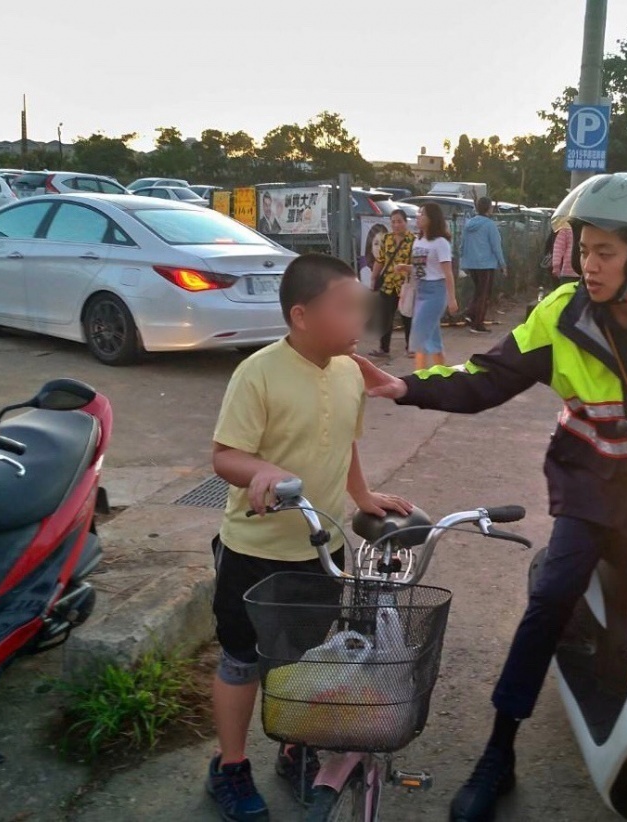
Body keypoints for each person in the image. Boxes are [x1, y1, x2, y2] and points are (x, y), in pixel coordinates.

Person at [354, 173, 627, 822]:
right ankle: (498, 751)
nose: (586, 265)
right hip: (589, 484)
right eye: (582, 249)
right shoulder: (561, 315)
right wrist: (406, 389)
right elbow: (489, 378)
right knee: (549, 600)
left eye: (604, 254)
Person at [206, 253, 413, 822]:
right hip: (256, 552)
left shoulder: (349, 371)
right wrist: (261, 471)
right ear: (301, 315)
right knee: (242, 661)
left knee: (306, 659)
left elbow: (344, 442)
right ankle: (229, 766)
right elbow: (225, 455)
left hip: (323, 549)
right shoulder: (258, 373)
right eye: (346, 308)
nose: (359, 319)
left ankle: (294, 748)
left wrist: (364, 498)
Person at [406, 202, 459, 370]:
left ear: (432, 218)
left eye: (422, 214)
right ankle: (443, 376)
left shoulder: (440, 242)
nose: (418, 217)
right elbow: (420, 268)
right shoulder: (418, 241)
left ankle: (420, 378)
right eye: (418, 213)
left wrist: (452, 299)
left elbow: (447, 272)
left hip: (436, 292)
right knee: (433, 340)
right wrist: (405, 268)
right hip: (420, 290)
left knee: (419, 338)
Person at [368, 210, 416, 360]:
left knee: (407, 316)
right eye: (393, 222)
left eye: (399, 221)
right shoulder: (386, 239)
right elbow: (380, 260)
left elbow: (417, 264)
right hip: (388, 283)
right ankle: (384, 348)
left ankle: (411, 347)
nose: (396, 225)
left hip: (405, 284)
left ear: (406, 222)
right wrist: (373, 279)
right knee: (385, 316)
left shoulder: (413, 240)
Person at [459, 196, 507, 333]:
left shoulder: (469, 224)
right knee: (484, 294)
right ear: (488, 208)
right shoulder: (490, 225)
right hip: (486, 264)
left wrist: (463, 260)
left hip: (471, 263)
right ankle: (477, 323)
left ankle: (471, 314)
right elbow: (496, 246)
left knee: (478, 291)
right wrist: (502, 264)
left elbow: (462, 244)